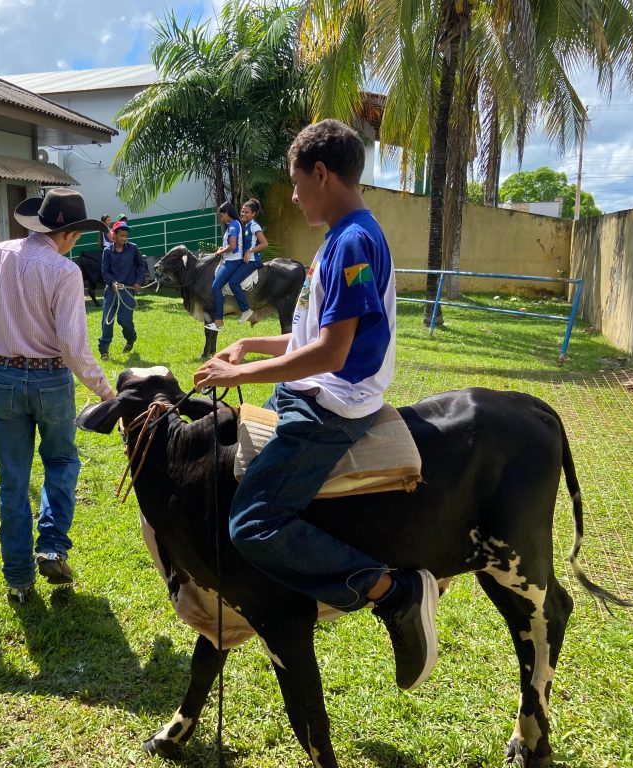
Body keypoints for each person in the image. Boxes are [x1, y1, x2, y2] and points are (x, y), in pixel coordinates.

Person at [193, 119, 438, 691]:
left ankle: (389, 590)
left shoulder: (352, 241)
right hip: (315, 386)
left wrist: (241, 371)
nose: (295, 195)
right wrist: (251, 342)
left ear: (322, 174)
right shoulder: (339, 238)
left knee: (252, 524)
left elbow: (332, 351)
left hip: (334, 402)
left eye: (298, 183)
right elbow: (308, 338)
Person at [0, 187, 115, 603]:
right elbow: (73, 346)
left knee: (12, 480)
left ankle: (17, 579)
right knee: (62, 461)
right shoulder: (64, 272)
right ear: (68, 233)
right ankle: (51, 546)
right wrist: (104, 391)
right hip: (51, 382)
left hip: (5, 380)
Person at [98, 220, 147, 360]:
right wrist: (112, 282)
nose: (124, 238)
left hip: (127, 291)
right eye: (122, 236)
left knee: (125, 321)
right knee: (107, 321)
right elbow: (105, 271)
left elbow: (141, 266)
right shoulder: (107, 251)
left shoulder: (133, 248)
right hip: (111, 292)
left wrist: (138, 281)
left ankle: (131, 338)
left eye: (126, 236)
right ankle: (104, 350)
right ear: (114, 236)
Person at [206, 201, 250, 331]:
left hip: (232, 261)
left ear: (227, 213)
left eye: (222, 215)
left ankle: (219, 321)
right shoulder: (234, 224)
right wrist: (223, 248)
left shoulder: (232, 226)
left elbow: (232, 247)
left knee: (215, 287)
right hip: (231, 259)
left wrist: (220, 251)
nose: (221, 218)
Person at [230, 197, 268, 323]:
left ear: (253, 214)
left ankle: (245, 309)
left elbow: (264, 243)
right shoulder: (247, 226)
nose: (243, 214)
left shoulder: (254, 226)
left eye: (246, 212)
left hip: (253, 261)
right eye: (242, 211)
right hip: (247, 260)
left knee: (233, 282)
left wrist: (250, 251)